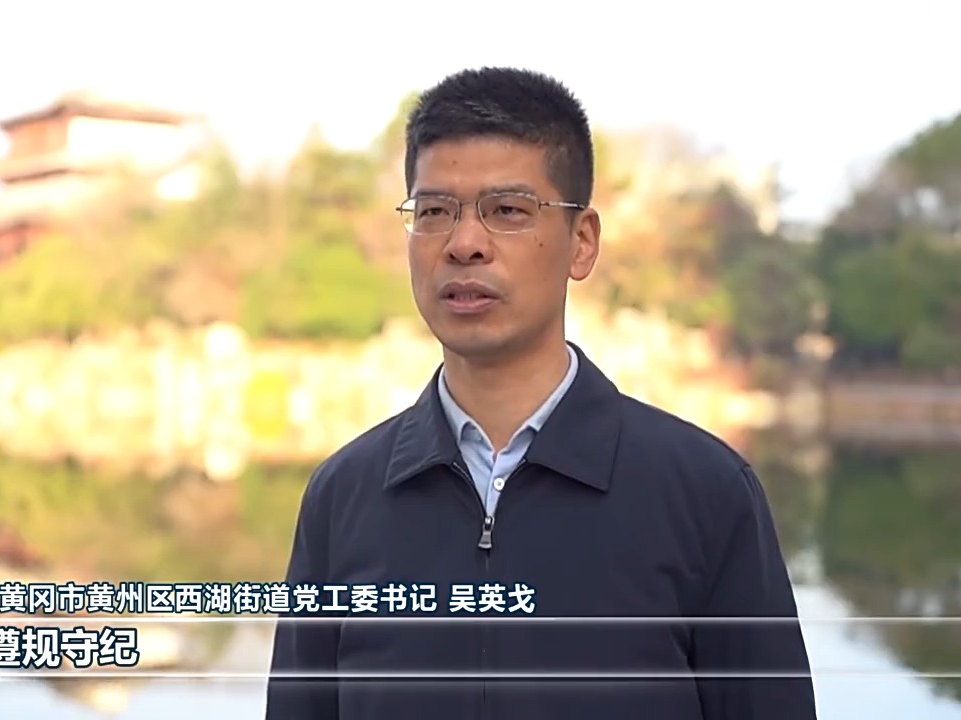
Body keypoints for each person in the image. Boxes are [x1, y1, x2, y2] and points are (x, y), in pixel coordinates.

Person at [263, 67, 817, 720]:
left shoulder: (705, 493)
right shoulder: (343, 498)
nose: (464, 245)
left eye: (507, 211)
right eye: (434, 212)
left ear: (582, 242)